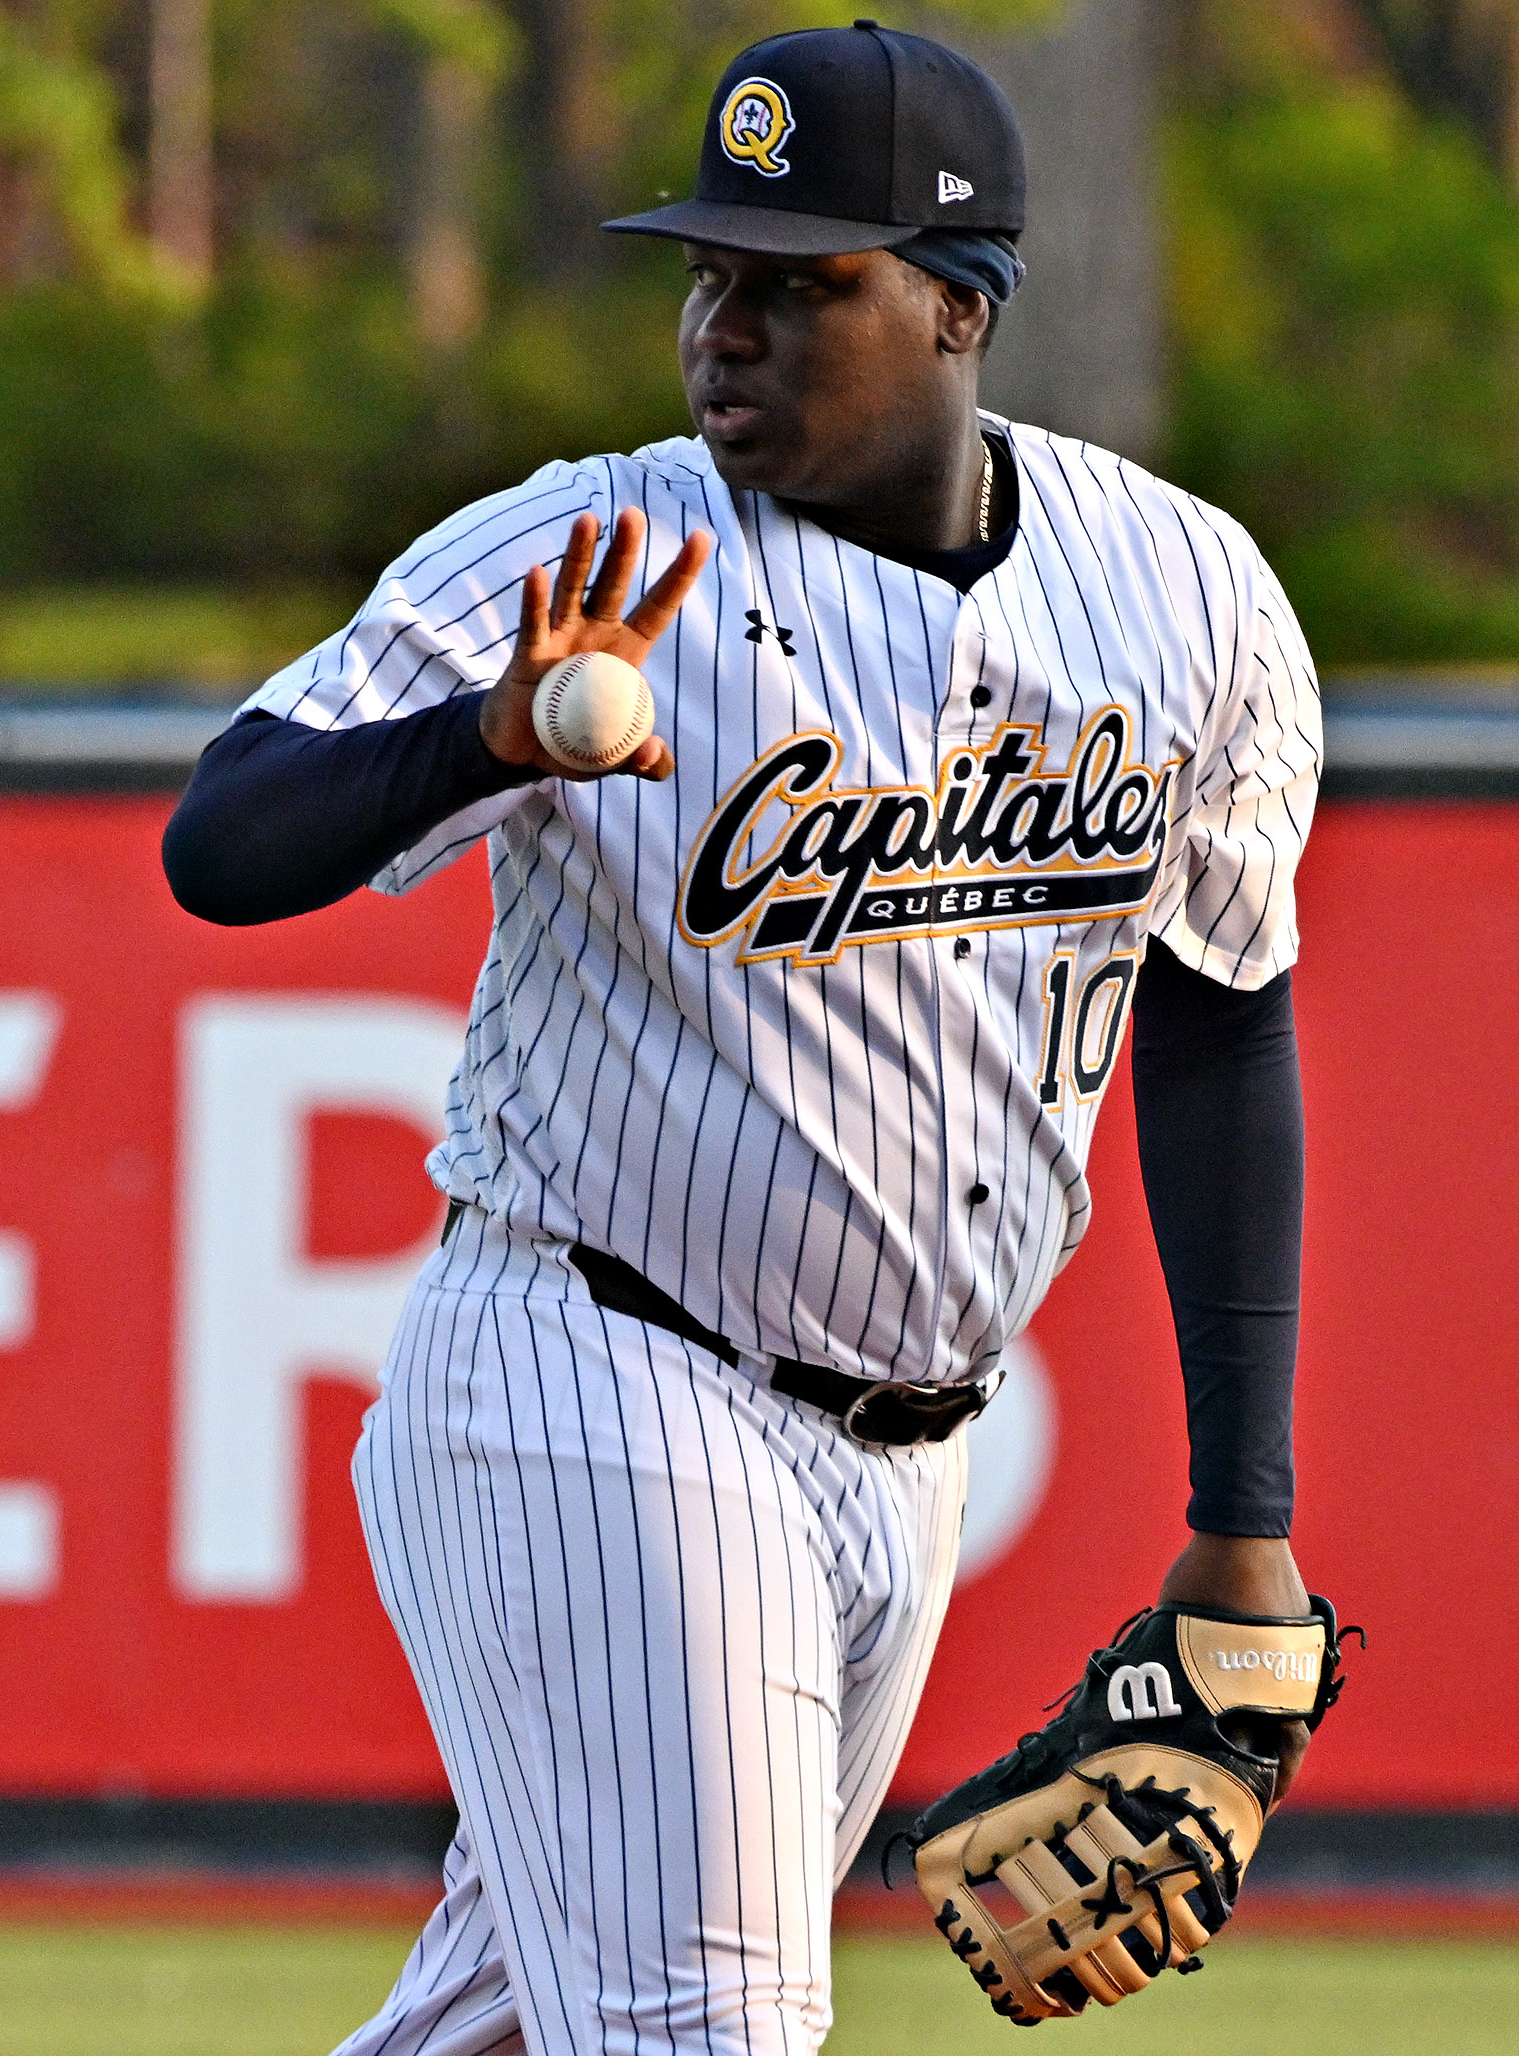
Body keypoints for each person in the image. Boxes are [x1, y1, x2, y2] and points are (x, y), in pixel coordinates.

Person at [162, 21, 1318, 2053]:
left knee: (525, 2021)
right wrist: (489, 734)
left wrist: (1244, 1530)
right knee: (705, 2027)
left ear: (960, 305)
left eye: (802, 288)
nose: (725, 333)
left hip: (907, 1455)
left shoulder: (1183, 595)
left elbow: (1219, 1032)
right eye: (709, 278)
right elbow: (222, 837)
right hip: (593, 1374)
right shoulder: (588, 555)